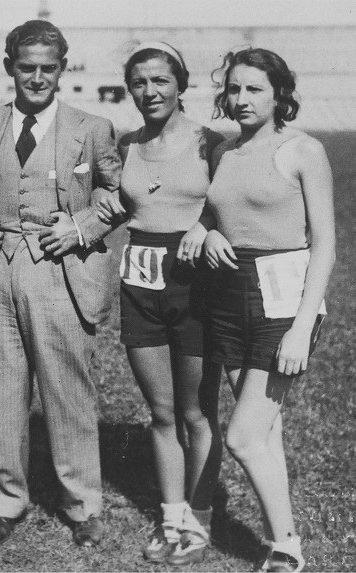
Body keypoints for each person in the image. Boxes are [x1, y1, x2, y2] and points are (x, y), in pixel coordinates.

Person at [0, 20, 121, 546]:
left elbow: (118, 195)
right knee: (0, 388)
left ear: (62, 69)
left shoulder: (91, 127)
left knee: (66, 386)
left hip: (59, 269)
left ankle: (82, 502)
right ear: (8, 68)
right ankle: (6, 498)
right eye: (26, 67)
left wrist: (80, 227)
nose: (37, 77)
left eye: (48, 68)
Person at [203, 48, 335, 572]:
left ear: (280, 94)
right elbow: (214, 210)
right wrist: (206, 229)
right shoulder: (224, 153)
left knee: (243, 435)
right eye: (234, 89)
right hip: (229, 295)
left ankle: (288, 550)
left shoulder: (304, 151)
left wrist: (302, 328)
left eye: (254, 89)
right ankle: (285, 541)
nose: (241, 100)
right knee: (266, 431)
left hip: (284, 301)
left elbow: (325, 244)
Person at [95, 42, 224, 566]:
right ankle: (172, 518)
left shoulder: (211, 143)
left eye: (160, 81)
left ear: (181, 84)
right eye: (140, 83)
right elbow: (117, 207)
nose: (149, 92)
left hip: (196, 284)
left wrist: (205, 224)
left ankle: (200, 520)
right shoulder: (126, 145)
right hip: (141, 283)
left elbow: (229, 205)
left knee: (197, 411)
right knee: (162, 411)